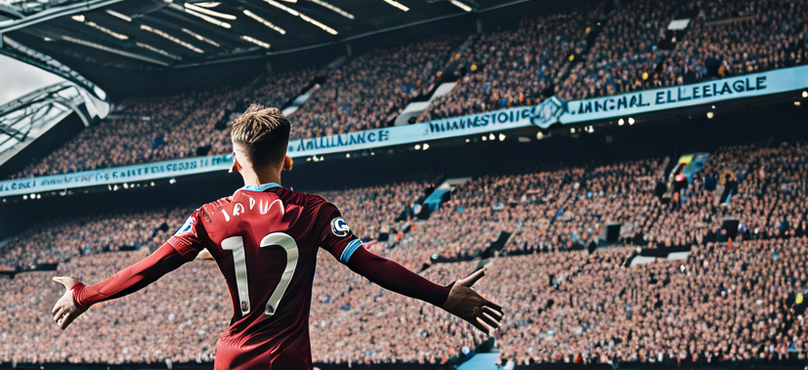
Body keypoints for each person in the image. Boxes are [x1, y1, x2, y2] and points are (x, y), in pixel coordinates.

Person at [50, 104, 503, 370]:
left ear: (233, 162)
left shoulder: (209, 218)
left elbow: (148, 268)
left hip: (231, 358)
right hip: (285, 360)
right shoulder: (313, 211)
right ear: (287, 160)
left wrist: (83, 295)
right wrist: (443, 295)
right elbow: (371, 265)